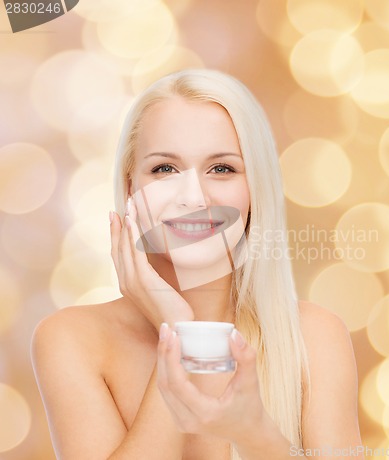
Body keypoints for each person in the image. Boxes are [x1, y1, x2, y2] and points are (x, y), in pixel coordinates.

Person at [31, 69, 363, 460]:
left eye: (221, 169)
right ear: (129, 187)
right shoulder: (72, 339)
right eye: (164, 169)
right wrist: (181, 334)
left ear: (254, 189)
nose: (194, 197)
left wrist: (256, 434)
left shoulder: (314, 337)